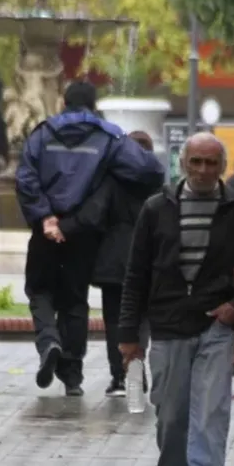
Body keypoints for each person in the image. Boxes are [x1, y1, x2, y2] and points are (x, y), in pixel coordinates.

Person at [118, 132, 234, 466]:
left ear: (223, 167)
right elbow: (135, 276)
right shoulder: (156, 209)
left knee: (210, 417)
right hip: (167, 327)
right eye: (196, 162)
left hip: (214, 328)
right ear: (183, 164)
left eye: (211, 163)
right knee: (171, 418)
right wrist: (128, 336)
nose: (203, 170)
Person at [16, 81, 163, 397]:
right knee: (74, 300)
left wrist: (45, 216)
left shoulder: (42, 133)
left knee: (39, 290)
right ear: (93, 104)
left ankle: (48, 342)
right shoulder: (109, 136)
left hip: (45, 230)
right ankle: (72, 376)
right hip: (83, 234)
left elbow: (25, 177)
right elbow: (150, 169)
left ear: (63, 101)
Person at [55, 130, 162, 397]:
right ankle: (136, 371)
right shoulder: (158, 183)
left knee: (115, 319)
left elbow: (93, 215)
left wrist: (63, 226)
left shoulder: (112, 181)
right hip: (149, 259)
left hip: (114, 260)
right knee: (142, 319)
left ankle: (120, 378)